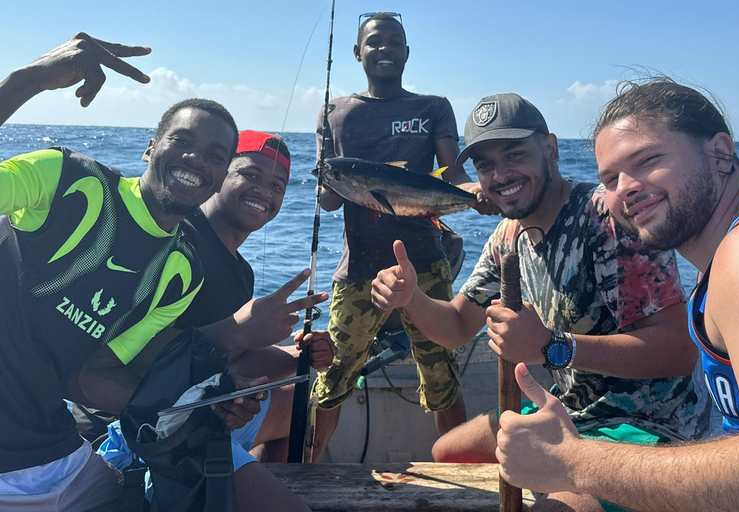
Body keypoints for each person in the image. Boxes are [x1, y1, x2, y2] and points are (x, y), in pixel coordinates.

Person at [0, 34, 324, 512]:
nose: (197, 158)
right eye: (182, 140)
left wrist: (204, 406)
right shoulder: (66, 179)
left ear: (219, 175)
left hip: (61, 461)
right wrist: (30, 79)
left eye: (216, 155)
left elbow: (89, 378)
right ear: (151, 147)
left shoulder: (179, 271)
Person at [371, 92, 710, 511]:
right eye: (485, 165)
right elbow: (457, 327)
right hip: (568, 411)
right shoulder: (507, 237)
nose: (500, 175)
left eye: (514, 155)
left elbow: (679, 351)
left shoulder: (607, 219)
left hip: (648, 427)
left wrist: (552, 346)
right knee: (448, 452)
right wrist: (411, 299)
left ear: (550, 148)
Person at [495, 78, 739, 511]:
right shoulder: (722, 262)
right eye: (610, 178)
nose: (626, 188)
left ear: (720, 152)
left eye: (648, 159)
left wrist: (575, 461)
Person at [74, 130, 335, 465]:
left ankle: (246, 478)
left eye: (277, 186)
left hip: (188, 411)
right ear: (220, 175)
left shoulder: (242, 271)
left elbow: (228, 359)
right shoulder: (180, 237)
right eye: (250, 174)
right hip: (127, 424)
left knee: (323, 398)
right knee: (318, 407)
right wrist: (239, 330)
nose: (263, 191)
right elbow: (129, 352)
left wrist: (301, 355)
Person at [310, 12, 498, 462]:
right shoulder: (334, 112)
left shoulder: (431, 107)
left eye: (395, 41)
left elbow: (453, 174)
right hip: (357, 269)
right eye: (374, 42)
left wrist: (479, 193)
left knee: (440, 372)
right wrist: (333, 184)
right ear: (358, 53)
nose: (385, 49)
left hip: (425, 264)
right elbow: (328, 198)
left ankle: (462, 480)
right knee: (334, 374)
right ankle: (306, 466)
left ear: (407, 52)